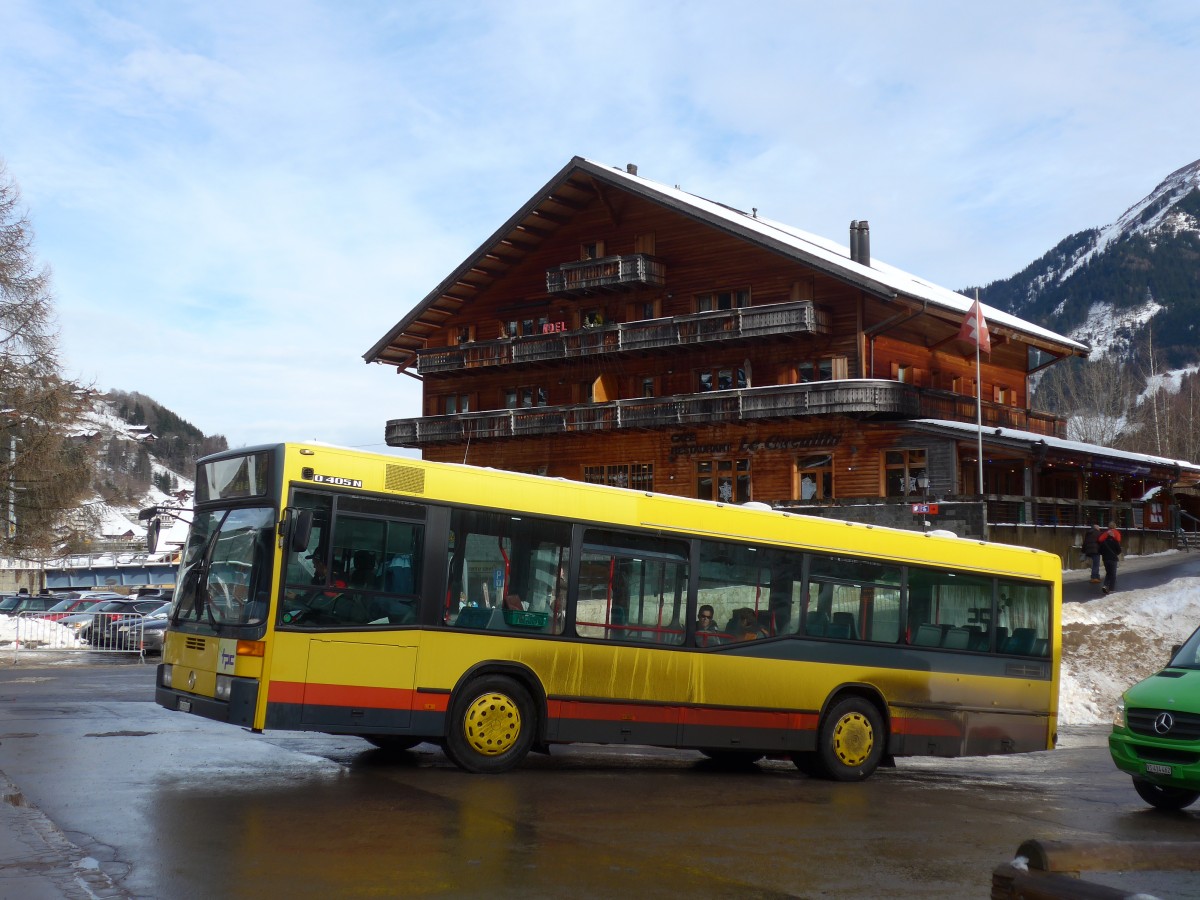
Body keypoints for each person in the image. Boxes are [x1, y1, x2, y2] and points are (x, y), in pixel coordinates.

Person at [1098, 520, 1122, 595]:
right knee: (1113, 574)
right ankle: (1111, 589)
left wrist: (1105, 554)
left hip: (1105, 559)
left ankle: (1105, 585)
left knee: (1108, 573)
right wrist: (1115, 553)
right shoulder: (1115, 540)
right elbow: (1119, 550)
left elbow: (1100, 550)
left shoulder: (1104, 541)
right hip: (1113, 559)